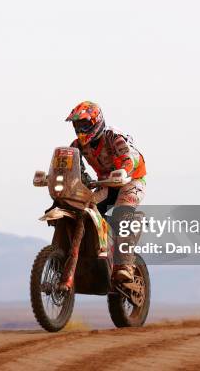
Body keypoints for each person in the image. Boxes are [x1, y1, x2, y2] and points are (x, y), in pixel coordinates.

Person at [66, 101, 146, 282]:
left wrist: (125, 170)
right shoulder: (77, 146)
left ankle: (124, 264)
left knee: (122, 213)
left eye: (84, 124)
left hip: (131, 180)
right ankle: (93, 252)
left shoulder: (113, 136)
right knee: (85, 208)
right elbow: (70, 166)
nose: (80, 129)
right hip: (106, 182)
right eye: (77, 125)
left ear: (96, 122)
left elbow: (130, 156)